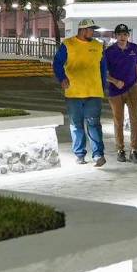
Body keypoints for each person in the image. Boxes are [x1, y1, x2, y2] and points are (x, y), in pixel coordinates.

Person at [53, 18, 108, 167]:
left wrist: (103, 86)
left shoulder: (98, 46)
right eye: (91, 29)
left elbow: (103, 68)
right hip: (74, 93)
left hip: (93, 92)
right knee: (76, 125)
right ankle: (80, 154)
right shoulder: (68, 45)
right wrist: (62, 78)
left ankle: (98, 154)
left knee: (94, 123)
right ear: (83, 30)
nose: (93, 32)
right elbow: (57, 63)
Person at [104, 23, 137, 163]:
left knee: (135, 120)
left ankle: (134, 150)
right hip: (115, 90)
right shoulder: (109, 52)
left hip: (132, 88)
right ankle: (120, 149)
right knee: (118, 121)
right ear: (115, 36)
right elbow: (103, 72)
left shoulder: (134, 49)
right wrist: (115, 81)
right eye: (120, 34)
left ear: (128, 35)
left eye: (125, 34)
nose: (122, 37)